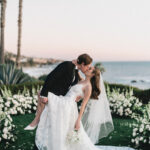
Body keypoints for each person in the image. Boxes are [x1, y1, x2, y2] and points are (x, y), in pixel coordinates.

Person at [35, 67, 135, 150]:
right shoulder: (81, 80)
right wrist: (76, 67)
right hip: (66, 103)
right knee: (62, 125)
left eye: (90, 69)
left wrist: (78, 120)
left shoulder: (89, 87)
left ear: (92, 75)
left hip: (69, 106)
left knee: (46, 97)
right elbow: (76, 72)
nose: (88, 69)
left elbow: (83, 105)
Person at [24, 53, 93, 130]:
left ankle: (37, 122)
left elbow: (78, 84)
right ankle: (35, 122)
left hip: (63, 97)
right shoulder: (67, 65)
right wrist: (44, 94)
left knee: (41, 97)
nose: (87, 68)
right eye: (87, 66)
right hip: (55, 94)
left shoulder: (76, 69)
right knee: (40, 94)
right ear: (83, 64)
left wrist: (81, 95)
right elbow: (51, 77)